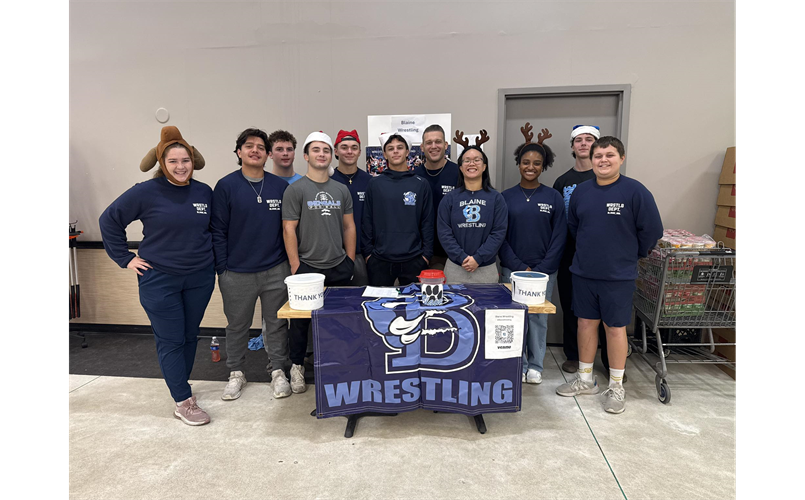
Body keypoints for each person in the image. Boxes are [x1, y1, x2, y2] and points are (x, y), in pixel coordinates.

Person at [99, 126, 215, 426]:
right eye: (173, 161)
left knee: (190, 335)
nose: (180, 167)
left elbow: (211, 230)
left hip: (200, 277)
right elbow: (109, 220)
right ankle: (183, 401)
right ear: (162, 163)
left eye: (185, 160)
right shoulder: (146, 191)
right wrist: (125, 258)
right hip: (160, 279)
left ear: (193, 161)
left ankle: (181, 385)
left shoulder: (204, 192)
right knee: (171, 339)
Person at [556, 136, 663, 414]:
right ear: (591, 160)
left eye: (610, 155)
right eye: (598, 156)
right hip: (584, 272)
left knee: (615, 329)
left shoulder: (635, 191)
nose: (603, 160)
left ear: (621, 158)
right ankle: (585, 379)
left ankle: (616, 386)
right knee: (585, 324)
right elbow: (575, 227)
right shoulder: (581, 192)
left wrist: (628, 253)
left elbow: (652, 231)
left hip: (618, 275)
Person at [210, 128, 292, 401]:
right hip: (236, 272)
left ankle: (278, 370)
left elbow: (288, 228)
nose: (255, 150)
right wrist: (222, 269)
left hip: (275, 269)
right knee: (237, 325)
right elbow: (217, 230)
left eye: (260, 147)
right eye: (249, 146)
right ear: (239, 152)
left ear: (268, 155)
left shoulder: (280, 187)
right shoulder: (226, 186)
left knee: (276, 324)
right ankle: (236, 372)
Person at [282, 131, 356, 394]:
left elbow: (349, 227)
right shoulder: (295, 190)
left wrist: (349, 260)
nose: (321, 154)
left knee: (340, 320)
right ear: (306, 156)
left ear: (331, 155)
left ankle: (339, 365)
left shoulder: (341, 189)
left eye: (326, 150)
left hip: (338, 265)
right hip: (307, 268)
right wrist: (296, 266)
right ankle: (297, 366)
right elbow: (289, 229)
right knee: (300, 323)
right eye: (316, 150)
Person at [499, 126, 567, 385]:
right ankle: (519, 364)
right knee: (515, 317)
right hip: (512, 269)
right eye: (526, 162)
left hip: (544, 272)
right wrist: (517, 265)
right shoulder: (505, 197)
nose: (531, 167)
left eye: (537, 163)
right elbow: (500, 236)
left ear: (543, 166)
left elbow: (559, 236)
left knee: (538, 317)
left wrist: (542, 268)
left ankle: (536, 365)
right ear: (519, 164)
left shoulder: (553, 197)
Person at [552, 125, 611, 376]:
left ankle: (609, 360)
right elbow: (557, 221)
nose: (583, 144)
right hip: (569, 253)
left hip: (602, 255)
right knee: (572, 305)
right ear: (572, 146)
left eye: (589, 139)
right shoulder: (562, 182)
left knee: (606, 310)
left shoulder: (607, 179)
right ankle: (574, 355)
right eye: (579, 140)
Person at [362, 132, 433, 286]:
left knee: (414, 301)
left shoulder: (421, 184)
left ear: (407, 152)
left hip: (414, 259)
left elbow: (427, 222)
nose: (395, 151)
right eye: (390, 148)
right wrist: (368, 254)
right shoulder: (375, 184)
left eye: (400, 147)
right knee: (379, 301)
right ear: (384, 154)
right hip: (379, 260)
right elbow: (367, 220)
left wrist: (426, 256)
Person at [438, 131, 507, 284]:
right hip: (455, 269)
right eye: (467, 160)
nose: (472, 164)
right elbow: (444, 232)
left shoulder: (496, 198)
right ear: (461, 167)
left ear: (484, 166)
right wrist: (462, 257)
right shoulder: (449, 199)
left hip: (486, 269)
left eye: (477, 160)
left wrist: (478, 258)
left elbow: (498, 232)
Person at [413, 124, 460, 271]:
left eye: (438, 142)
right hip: (420, 252)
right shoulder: (414, 176)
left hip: (454, 252)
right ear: (422, 147)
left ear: (445, 145)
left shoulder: (459, 173)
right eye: (429, 143)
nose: (434, 146)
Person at [330, 129, 372, 286]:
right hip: (333, 255)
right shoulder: (327, 181)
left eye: (354, 148)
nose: (349, 151)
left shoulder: (370, 182)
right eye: (344, 147)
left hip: (363, 255)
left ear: (360, 152)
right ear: (336, 151)